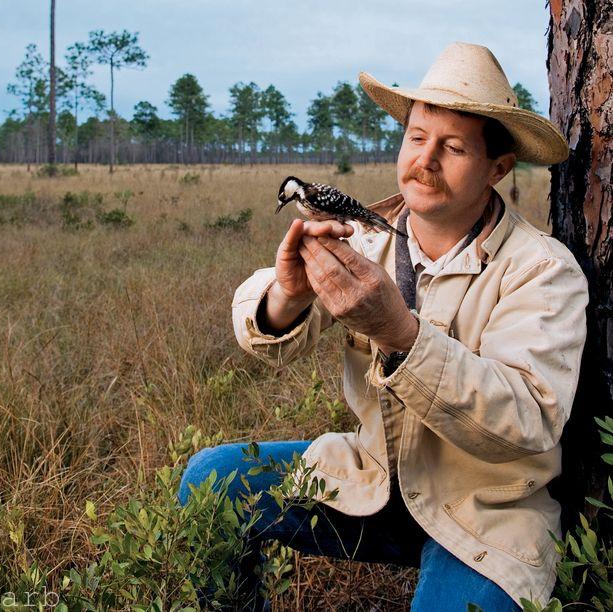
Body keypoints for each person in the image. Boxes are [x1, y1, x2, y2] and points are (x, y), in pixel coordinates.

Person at [178, 42, 588, 611]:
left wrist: (403, 336)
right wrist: (286, 296)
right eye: (417, 138)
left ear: (498, 168)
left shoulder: (543, 270)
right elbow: (263, 333)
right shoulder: (364, 236)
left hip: (485, 514)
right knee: (210, 480)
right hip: (370, 478)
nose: (425, 160)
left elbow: (528, 419)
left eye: (454, 147)